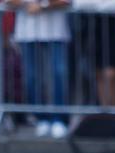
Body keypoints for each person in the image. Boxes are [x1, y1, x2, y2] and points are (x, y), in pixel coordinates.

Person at [13, 0, 73, 139]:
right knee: (31, 77)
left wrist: (43, 5)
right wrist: (27, 4)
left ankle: (59, 118)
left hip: (56, 31)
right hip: (28, 32)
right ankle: (41, 117)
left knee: (58, 73)